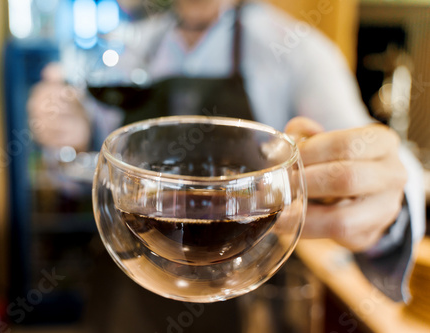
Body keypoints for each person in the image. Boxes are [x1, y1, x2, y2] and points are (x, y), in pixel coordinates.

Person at [27, 0, 425, 329]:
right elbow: (98, 171)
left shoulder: (295, 49)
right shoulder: (133, 48)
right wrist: (70, 135)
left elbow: (374, 153)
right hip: (128, 296)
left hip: (249, 304)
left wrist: (387, 204)